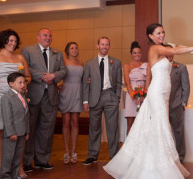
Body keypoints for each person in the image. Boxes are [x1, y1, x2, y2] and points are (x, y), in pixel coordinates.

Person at [103, 23, 193, 179]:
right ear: (151, 36)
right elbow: (175, 51)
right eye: (158, 33)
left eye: (163, 32)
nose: (162, 35)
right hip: (157, 95)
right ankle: (156, 171)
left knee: (158, 128)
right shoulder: (155, 49)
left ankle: (157, 164)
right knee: (160, 127)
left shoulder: (161, 50)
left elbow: (149, 74)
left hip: (162, 95)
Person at [21, 28, 67, 172]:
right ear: (38, 37)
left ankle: (42, 160)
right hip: (33, 95)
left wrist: (53, 76)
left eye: (50, 36)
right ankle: (27, 161)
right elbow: (24, 69)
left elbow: (64, 71)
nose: (48, 38)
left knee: (47, 130)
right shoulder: (27, 50)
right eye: (45, 35)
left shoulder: (57, 53)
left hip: (51, 96)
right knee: (30, 129)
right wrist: (43, 75)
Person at [82, 37, 122, 165]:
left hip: (110, 96)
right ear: (97, 45)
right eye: (102, 44)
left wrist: (117, 97)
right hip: (94, 98)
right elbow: (85, 83)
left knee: (112, 128)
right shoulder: (89, 63)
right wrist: (85, 101)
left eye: (107, 44)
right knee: (94, 128)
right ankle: (92, 155)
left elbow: (119, 82)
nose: (104, 47)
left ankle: (114, 155)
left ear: (109, 46)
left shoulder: (116, 62)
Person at [0, 29, 31, 178]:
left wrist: (24, 84)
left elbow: (28, 77)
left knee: (20, 133)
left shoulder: (20, 57)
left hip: (18, 100)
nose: (12, 43)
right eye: (10, 40)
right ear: (4, 41)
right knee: (2, 134)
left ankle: (18, 169)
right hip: (1, 99)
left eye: (15, 41)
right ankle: (2, 168)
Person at [0, 72, 29, 179]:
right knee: (8, 155)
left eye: (23, 82)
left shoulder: (22, 96)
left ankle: (15, 175)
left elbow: (26, 115)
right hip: (12, 133)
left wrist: (27, 131)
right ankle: (4, 178)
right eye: (20, 82)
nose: (22, 85)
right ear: (11, 84)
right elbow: (7, 117)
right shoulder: (6, 98)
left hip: (22, 131)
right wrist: (11, 132)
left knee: (17, 155)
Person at [59, 42, 84, 164]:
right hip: (66, 91)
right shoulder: (63, 61)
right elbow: (58, 75)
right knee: (66, 122)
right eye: (72, 48)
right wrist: (58, 85)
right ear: (67, 50)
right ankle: (66, 151)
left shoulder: (81, 63)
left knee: (75, 122)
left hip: (78, 92)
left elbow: (84, 78)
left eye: (76, 47)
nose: (74, 49)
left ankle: (74, 151)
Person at [165, 44, 190, 163]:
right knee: (164, 132)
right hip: (162, 106)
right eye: (167, 51)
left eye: (171, 51)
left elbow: (186, 86)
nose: (169, 54)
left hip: (176, 105)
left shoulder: (181, 67)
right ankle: (166, 157)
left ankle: (180, 157)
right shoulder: (158, 66)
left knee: (178, 132)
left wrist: (183, 102)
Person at [124, 41, 148, 135]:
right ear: (131, 54)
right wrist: (133, 97)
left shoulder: (146, 65)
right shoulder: (127, 66)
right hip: (131, 96)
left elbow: (147, 81)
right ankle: (129, 148)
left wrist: (143, 96)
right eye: (134, 53)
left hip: (143, 96)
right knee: (130, 122)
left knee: (142, 123)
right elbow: (127, 82)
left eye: (139, 52)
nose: (137, 55)